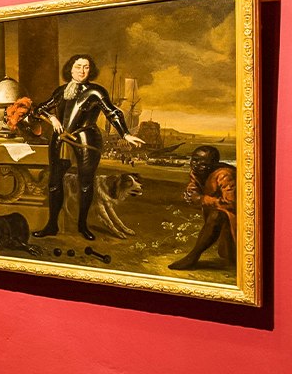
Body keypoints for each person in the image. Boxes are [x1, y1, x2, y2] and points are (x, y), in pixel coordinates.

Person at [30, 54, 144, 241]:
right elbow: (38, 109)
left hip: (86, 139)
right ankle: (52, 225)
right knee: (54, 182)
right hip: (61, 139)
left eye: (86, 67)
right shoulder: (61, 91)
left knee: (85, 183)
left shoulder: (95, 92)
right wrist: (52, 117)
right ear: (70, 69)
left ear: (91, 70)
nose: (82, 71)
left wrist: (125, 134)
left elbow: (112, 112)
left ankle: (82, 226)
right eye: (78, 67)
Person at [168, 145, 236, 270]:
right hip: (218, 219)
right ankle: (193, 257)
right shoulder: (197, 172)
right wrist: (190, 195)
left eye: (203, 163)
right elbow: (193, 190)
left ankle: (193, 257)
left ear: (213, 164)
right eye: (194, 160)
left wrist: (201, 199)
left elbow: (231, 203)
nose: (196, 165)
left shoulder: (225, 175)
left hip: (236, 220)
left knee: (217, 215)